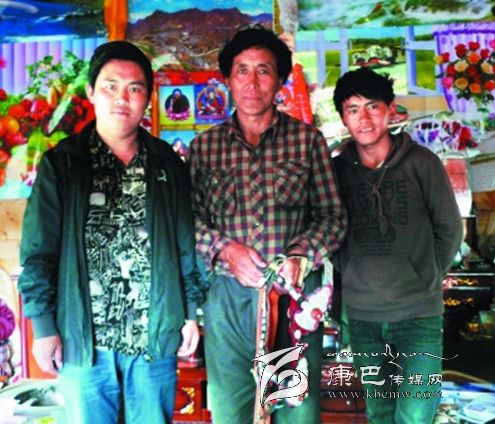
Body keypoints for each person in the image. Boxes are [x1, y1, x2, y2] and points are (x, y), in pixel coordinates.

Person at [18, 40, 203, 424]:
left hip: (153, 337)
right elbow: (38, 253)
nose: (122, 98)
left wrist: (189, 313)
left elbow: (185, 245)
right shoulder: (62, 164)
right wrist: (44, 327)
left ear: (147, 98)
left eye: (134, 88)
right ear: (91, 92)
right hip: (83, 341)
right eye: (110, 86)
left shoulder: (167, 163)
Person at [188, 26, 347, 424]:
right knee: (232, 412)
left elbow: (332, 217)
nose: (252, 82)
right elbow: (188, 221)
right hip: (227, 301)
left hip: (291, 299)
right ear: (228, 80)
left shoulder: (307, 141)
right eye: (242, 70)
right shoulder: (204, 148)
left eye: (264, 70)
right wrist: (226, 250)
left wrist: (300, 256)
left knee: (294, 412)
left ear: (280, 81)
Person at [332, 67, 463, 424]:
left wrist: (425, 275)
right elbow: (329, 232)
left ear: (390, 111)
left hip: (418, 316)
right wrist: (352, 273)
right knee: (379, 412)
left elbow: (449, 229)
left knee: (418, 414)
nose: (364, 118)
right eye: (353, 109)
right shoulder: (336, 171)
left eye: (373, 106)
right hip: (363, 319)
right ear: (343, 118)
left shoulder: (422, 163)